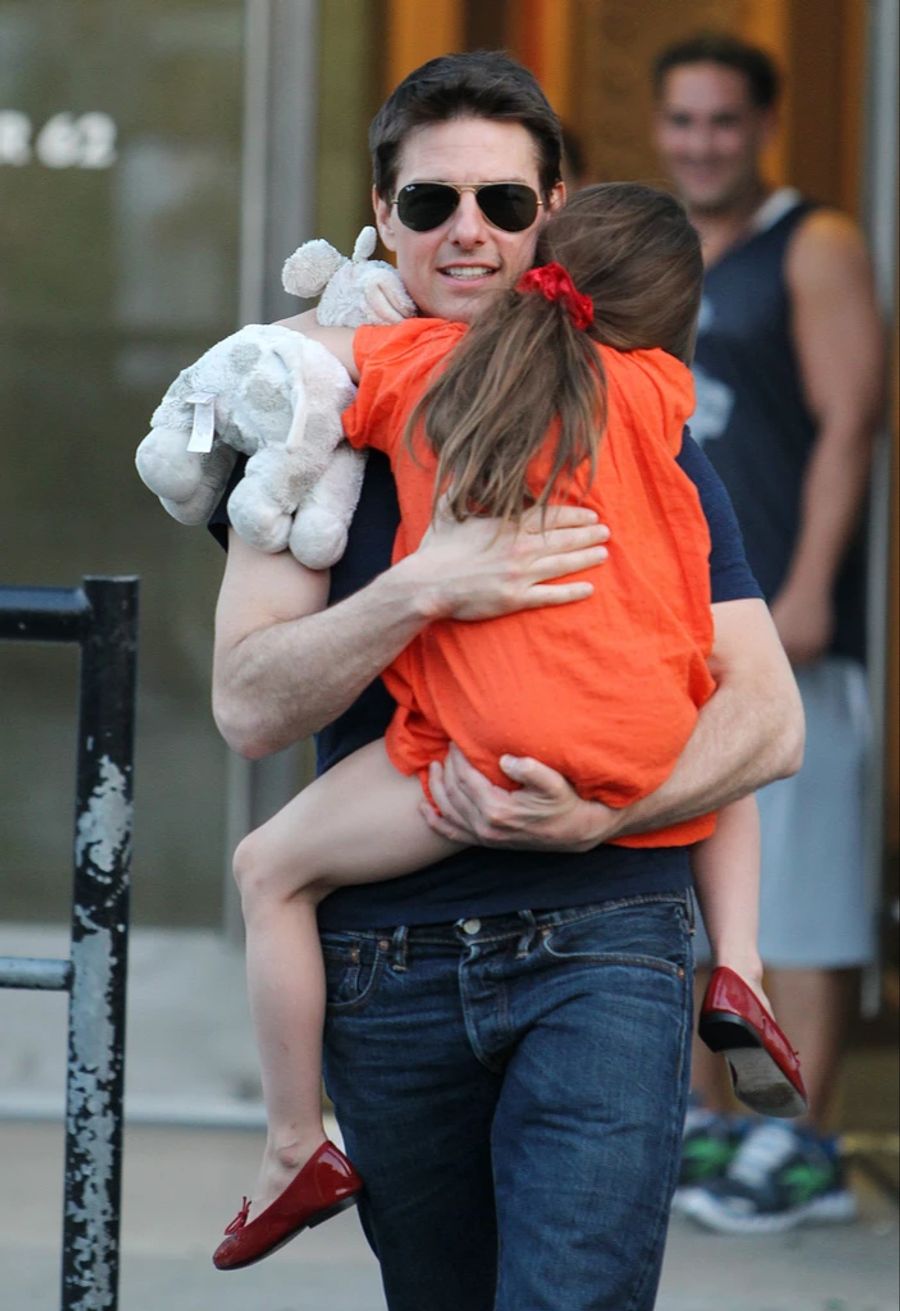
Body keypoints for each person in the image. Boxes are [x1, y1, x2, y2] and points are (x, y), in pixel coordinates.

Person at [211, 51, 803, 1311]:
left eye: (503, 204)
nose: (466, 232)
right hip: (387, 969)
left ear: (554, 221)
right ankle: (740, 966)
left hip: (606, 938)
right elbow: (248, 705)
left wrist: (605, 809)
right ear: (382, 215)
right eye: (430, 204)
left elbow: (764, 713)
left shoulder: (641, 425)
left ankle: (285, 1144)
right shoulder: (316, 436)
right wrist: (425, 586)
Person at [652, 32, 885, 1234]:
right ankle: (719, 1122)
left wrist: (804, 591)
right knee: (709, 884)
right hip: (687, 629)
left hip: (792, 624)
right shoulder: (670, 253)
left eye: (724, 122)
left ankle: (799, 1139)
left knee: (804, 895)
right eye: (683, 122)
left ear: (764, 127)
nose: (702, 142)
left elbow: (852, 423)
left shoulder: (817, 242)